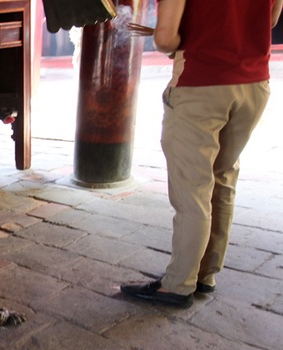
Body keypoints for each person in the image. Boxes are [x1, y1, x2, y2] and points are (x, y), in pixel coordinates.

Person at [121, 0, 283, 308]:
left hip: (202, 83)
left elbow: (166, 38)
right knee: (222, 178)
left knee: (193, 189)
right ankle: (205, 275)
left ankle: (178, 286)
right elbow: (271, 18)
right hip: (254, 83)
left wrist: (176, 40)